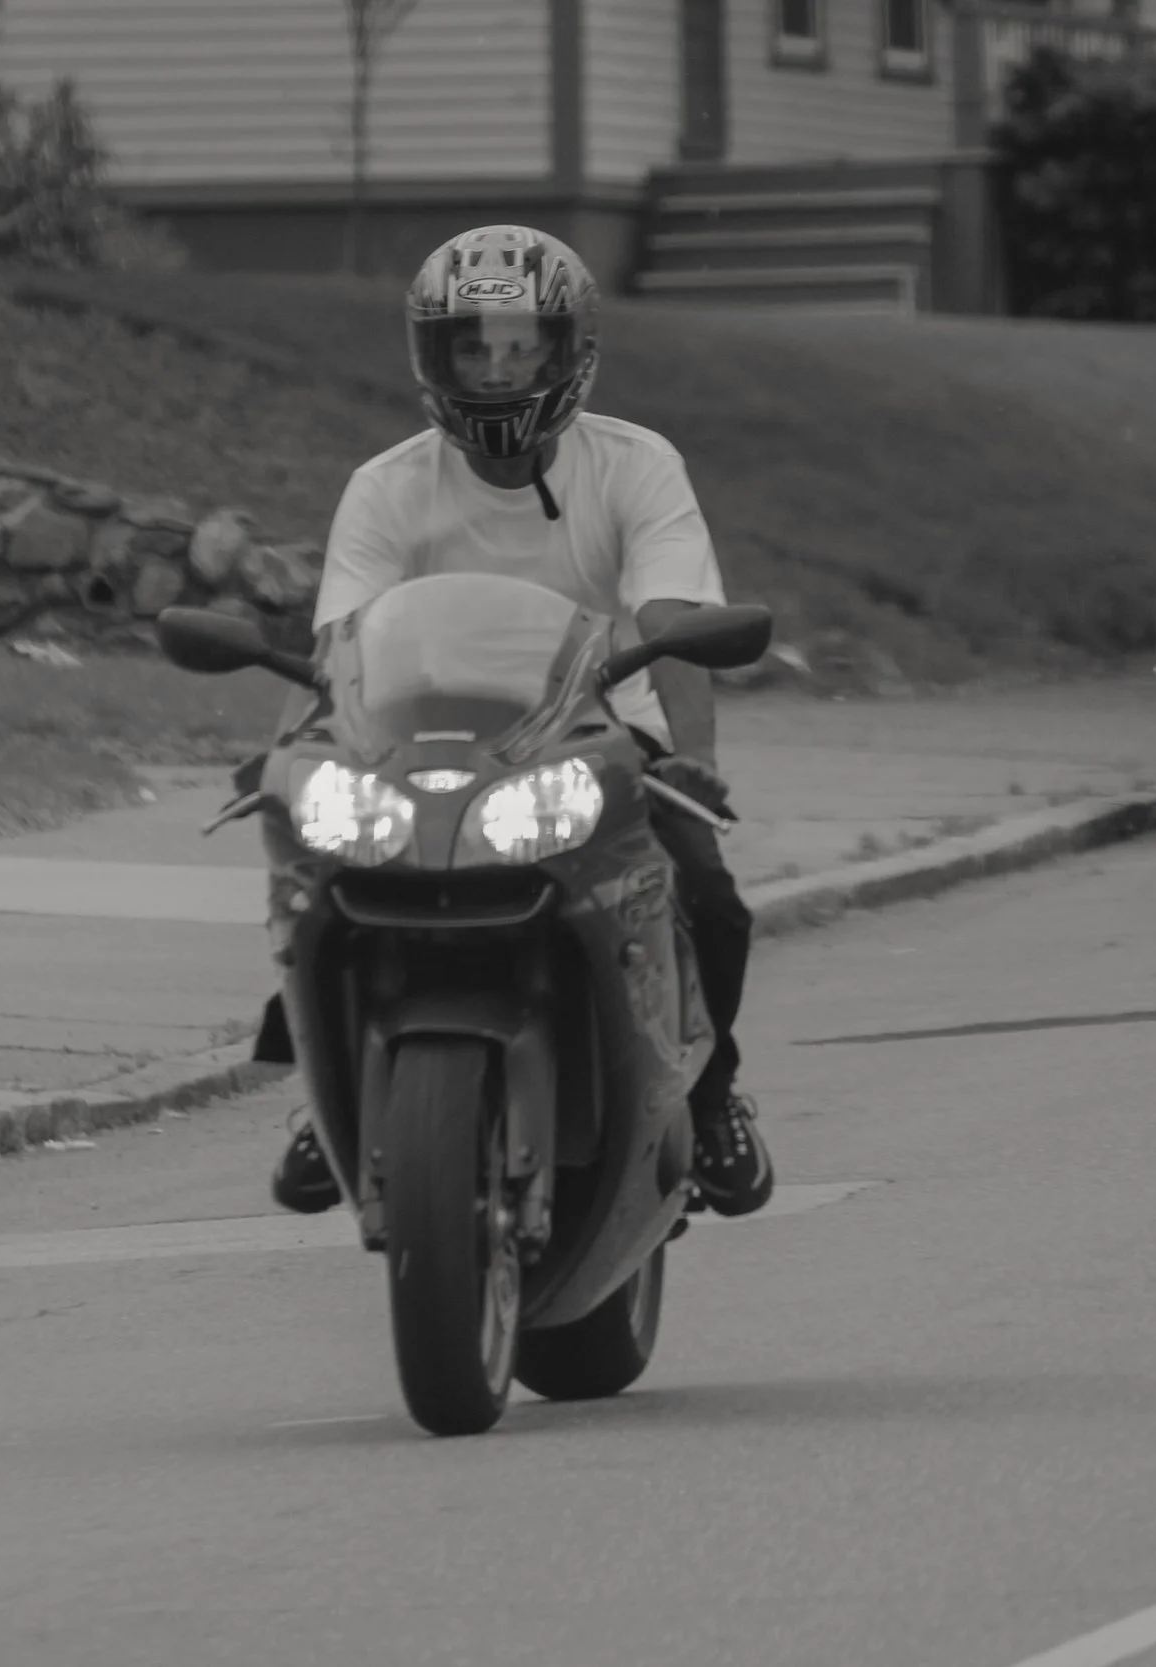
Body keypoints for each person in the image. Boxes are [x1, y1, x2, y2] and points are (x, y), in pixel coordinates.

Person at [258, 223, 774, 1221]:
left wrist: (699, 763)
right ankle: (324, 1098)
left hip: (599, 735)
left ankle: (710, 1100)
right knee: (316, 877)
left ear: (567, 349)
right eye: (471, 346)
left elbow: (671, 623)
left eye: (518, 345)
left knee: (705, 894)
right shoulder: (386, 485)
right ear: (432, 356)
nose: (495, 368)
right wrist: (282, 758)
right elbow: (338, 644)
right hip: (412, 740)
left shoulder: (635, 465)